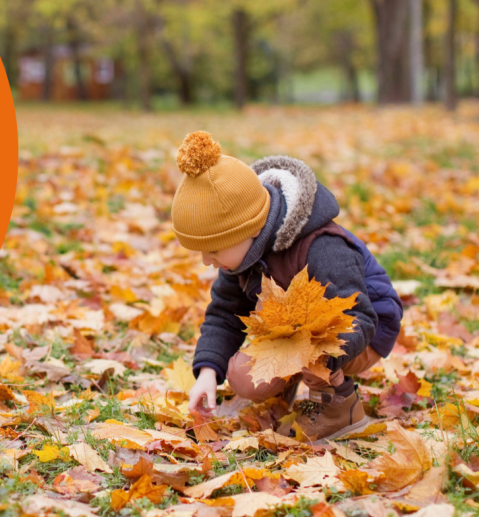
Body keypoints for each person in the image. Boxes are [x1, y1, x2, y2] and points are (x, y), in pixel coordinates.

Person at [171, 131, 403, 442]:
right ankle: (287, 392)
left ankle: (341, 408)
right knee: (244, 375)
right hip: (295, 328)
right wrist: (208, 372)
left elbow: (359, 315)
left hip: (362, 326)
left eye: (212, 250)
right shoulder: (240, 258)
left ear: (246, 229)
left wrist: (329, 360)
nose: (206, 261)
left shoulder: (323, 247)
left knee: (312, 342)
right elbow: (224, 314)